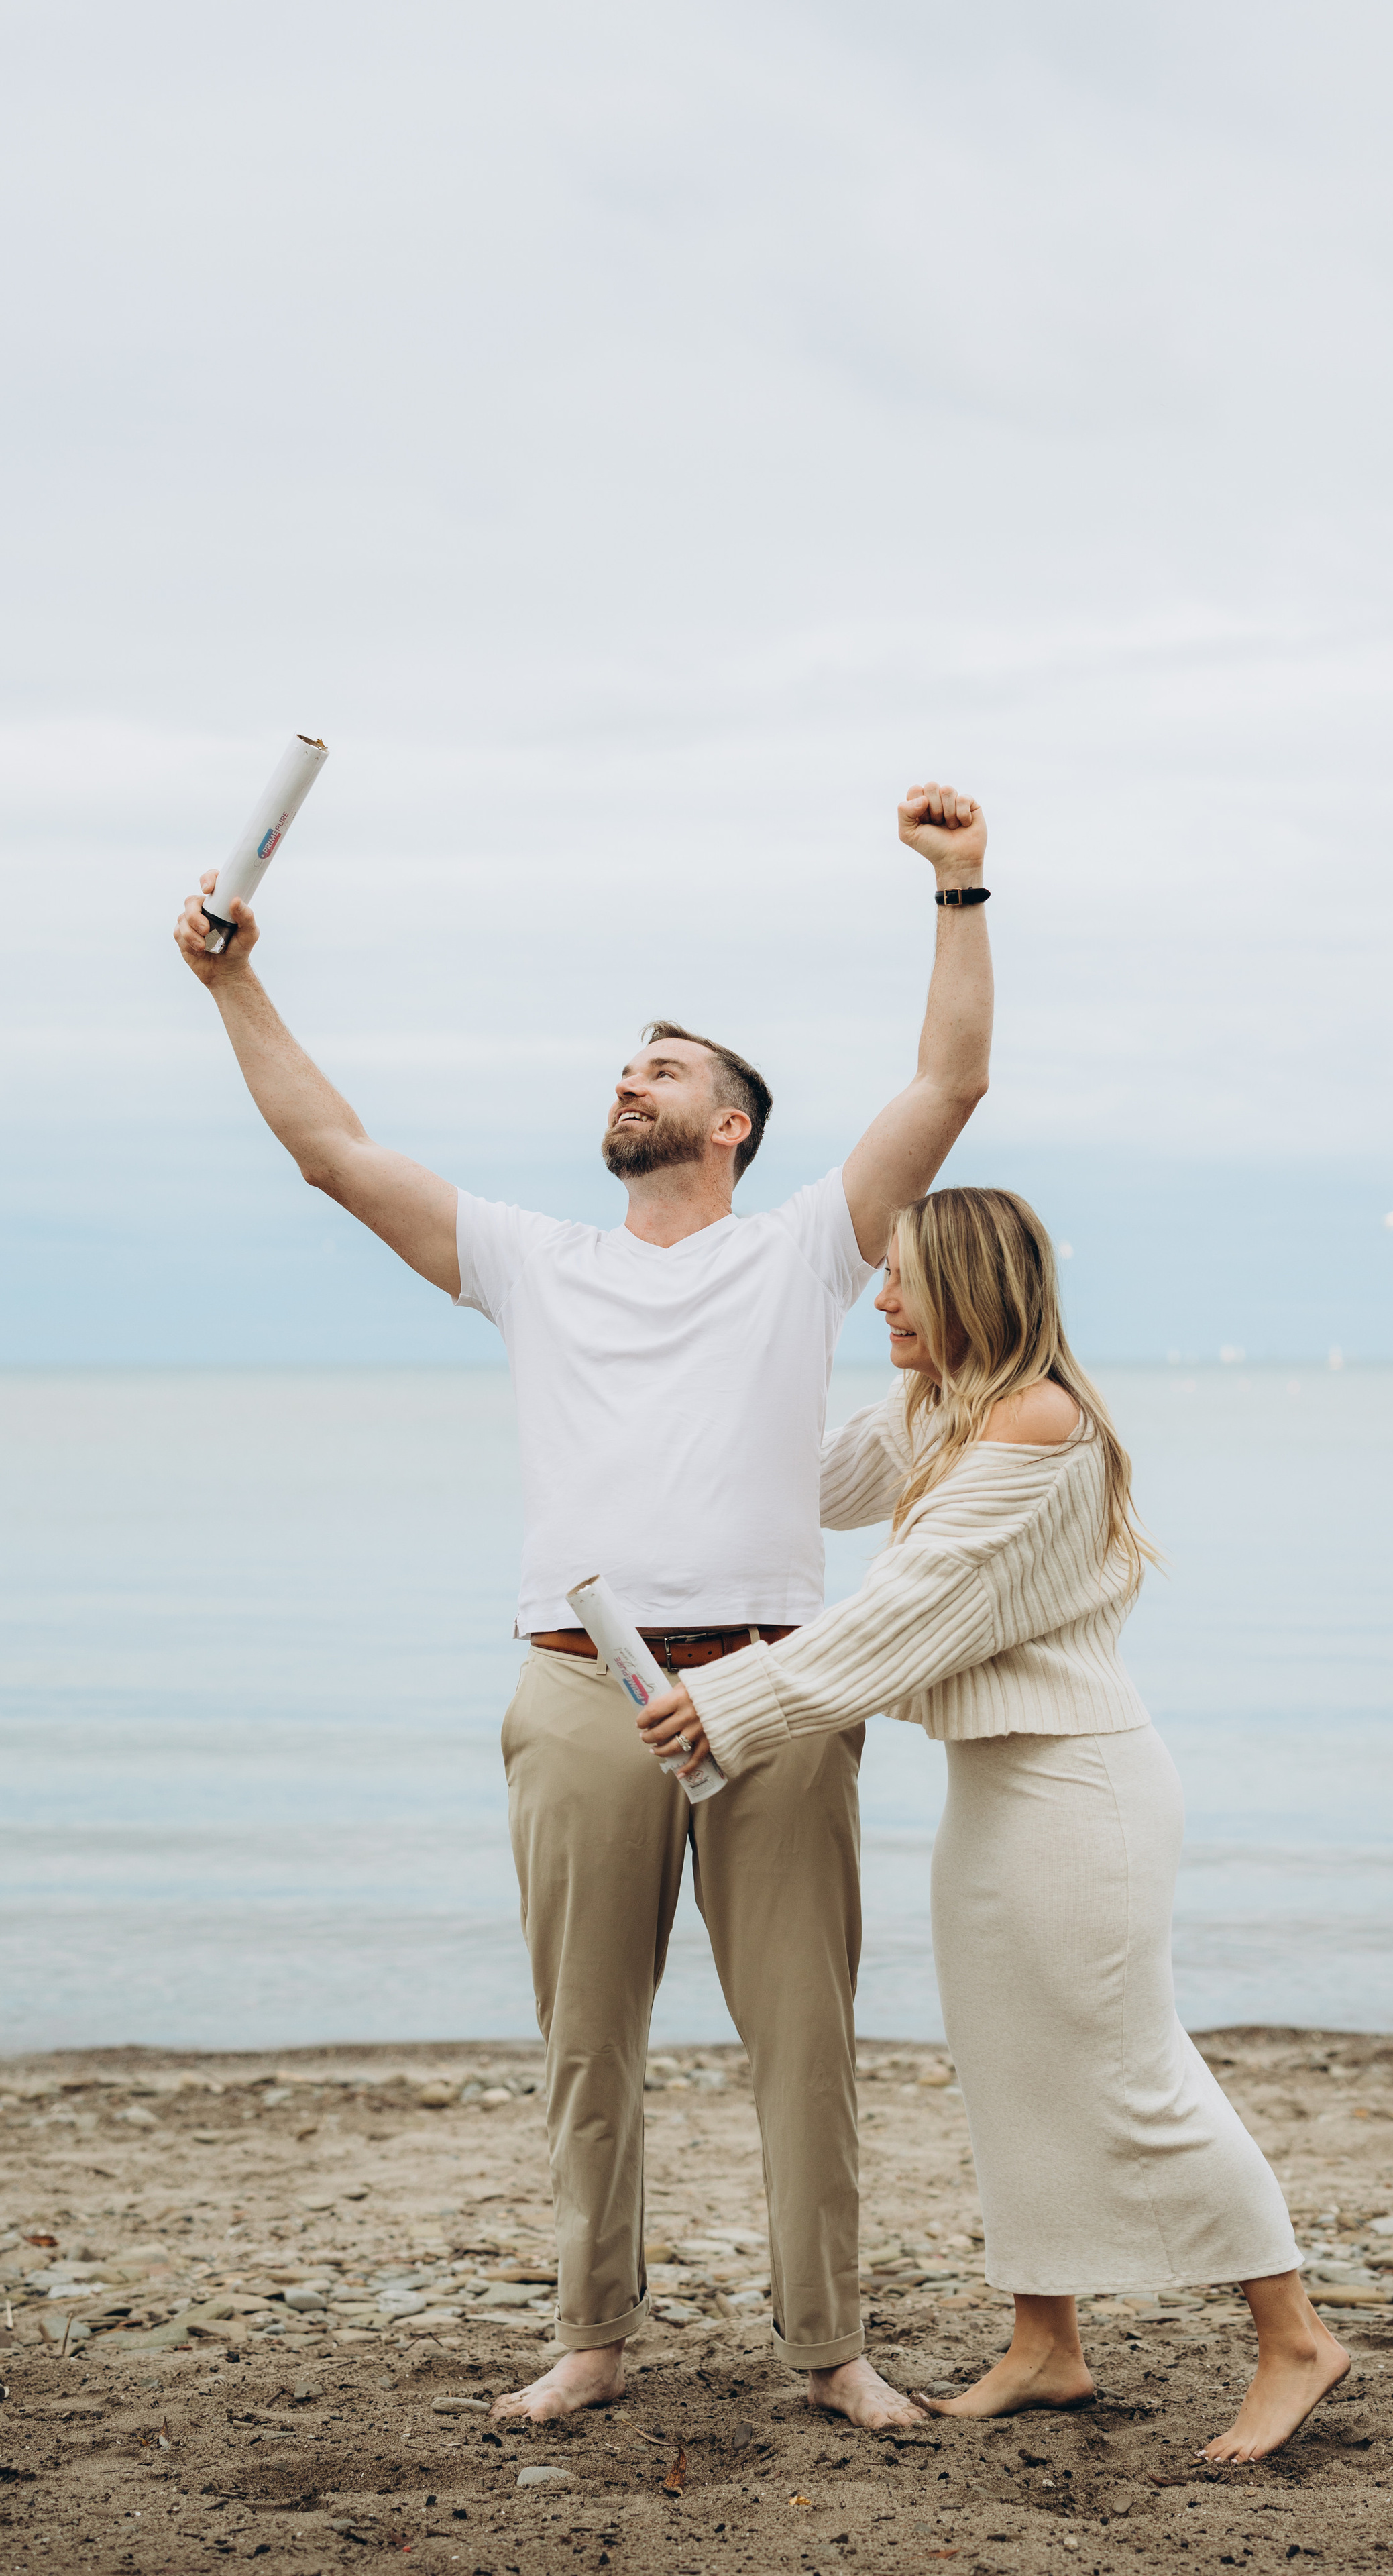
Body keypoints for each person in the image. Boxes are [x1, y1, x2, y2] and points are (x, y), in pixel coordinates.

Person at [172, 782, 995, 2432]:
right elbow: (334, 1155)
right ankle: (591, 2338)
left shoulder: (805, 1253)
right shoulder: (535, 1260)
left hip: (770, 1694)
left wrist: (959, 888)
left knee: (804, 2046)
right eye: (626, 1062)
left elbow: (949, 1081)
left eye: (665, 1067)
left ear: (730, 1127)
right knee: (587, 2045)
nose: (630, 1076)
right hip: (578, 1693)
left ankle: (827, 2348)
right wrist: (233, 984)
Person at [638, 1186, 1351, 2461]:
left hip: (1082, 1789)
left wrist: (723, 1701)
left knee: (1130, 2068)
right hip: (995, 1784)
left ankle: (1294, 2335)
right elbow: (789, 1482)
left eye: (904, 1278)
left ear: (968, 1284)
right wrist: (663, 1392)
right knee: (1012, 2071)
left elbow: (903, 1608)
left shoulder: (1035, 1421)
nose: (883, 1300)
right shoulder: (940, 1411)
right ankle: (1046, 2344)